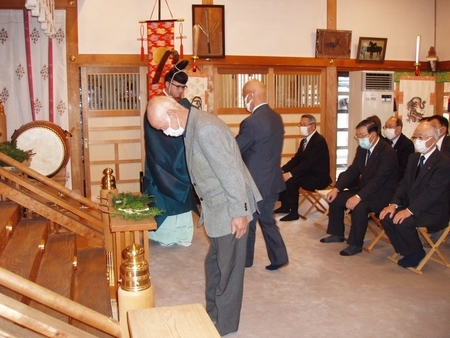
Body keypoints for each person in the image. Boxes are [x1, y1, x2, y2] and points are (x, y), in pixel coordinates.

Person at [146, 96, 262, 336]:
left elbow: (230, 173)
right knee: (215, 265)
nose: (165, 132)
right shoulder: (193, 124)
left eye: (162, 127)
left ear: (172, 114)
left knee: (228, 272)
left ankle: (224, 325)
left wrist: (239, 213)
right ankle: (212, 315)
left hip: (230, 208)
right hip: (218, 206)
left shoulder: (206, 129)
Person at [320, 118, 398, 256]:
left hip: (382, 194)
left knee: (359, 206)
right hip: (365, 189)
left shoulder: (387, 153)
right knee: (336, 198)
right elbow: (353, 170)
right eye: (358, 136)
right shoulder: (363, 148)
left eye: (362, 136)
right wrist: (337, 188)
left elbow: (378, 181)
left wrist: (358, 197)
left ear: (373, 135)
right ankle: (337, 234)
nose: (359, 139)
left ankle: (355, 244)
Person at [379, 122, 450, 268]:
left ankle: (416, 253)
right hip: (413, 205)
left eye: (421, 137)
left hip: (433, 210)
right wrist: (394, 204)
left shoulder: (443, 163)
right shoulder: (414, 158)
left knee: (404, 222)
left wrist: (409, 211)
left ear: (433, 139)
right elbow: (404, 184)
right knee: (386, 216)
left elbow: (431, 193)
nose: (417, 140)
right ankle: (406, 249)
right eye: (415, 136)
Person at [236, 79, 288, 270]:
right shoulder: (276, 117)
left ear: (251, 95)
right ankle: (279, 257)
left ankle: (245, 260)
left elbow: (237, 149)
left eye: (244, 96)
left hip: (255, 183)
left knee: (248, 222)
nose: (244, 100)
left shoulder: (251, 122)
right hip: (273, 181)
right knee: (267, 219)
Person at [144, 62, 198, 246]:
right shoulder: (157, 104)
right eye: (178, 86)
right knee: (164, 194)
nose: (181, 91)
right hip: (161, 160)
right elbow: (155, 137)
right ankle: (164, 236)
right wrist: (171, 157)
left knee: (182, 200)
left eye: (184, 87)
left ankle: (182, 235)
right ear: (167, 84)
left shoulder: (184, 104)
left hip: (181, 160)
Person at [275, 114, 332, 221]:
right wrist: (282, 170)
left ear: (313, 126)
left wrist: (290, 174)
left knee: (291, 180)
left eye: (304, 124)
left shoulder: (319, 141)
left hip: (318, 177)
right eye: (300, 125)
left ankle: (294, 213)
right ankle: (285, 206)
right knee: (283, 176)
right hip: (307, 174)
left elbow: (308, 163)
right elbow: (296, 160)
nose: (302, 127)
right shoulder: (304, 141)